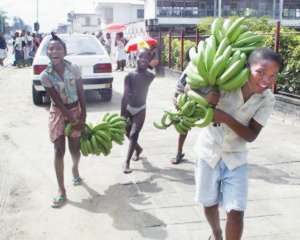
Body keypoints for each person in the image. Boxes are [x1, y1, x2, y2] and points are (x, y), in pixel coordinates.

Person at [194, 48, 283, 240]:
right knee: (209, 202)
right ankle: (216, 233)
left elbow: (251, 135)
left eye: (273, 75)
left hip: (236, 157)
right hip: (208, 150)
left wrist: (225, 118)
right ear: (247, 67)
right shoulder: (224, 83)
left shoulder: (267, 100)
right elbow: (192, 96)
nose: (266, 80)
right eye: (260, 72)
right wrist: (206, 98)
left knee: (236, 210)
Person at [40, 32, 86, 208]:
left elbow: (82, 93)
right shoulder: (45, 75)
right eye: (51, 48)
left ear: (64, 51)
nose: (55, 51)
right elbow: (57, 101)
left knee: (75, 149)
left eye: (58, 48)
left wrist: (83, 116)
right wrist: (69, 116)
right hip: (59, 113)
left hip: (76, 109)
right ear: (48, 53)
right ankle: (61, 190)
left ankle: (75, 168)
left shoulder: (74, 69)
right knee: (59, 150)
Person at [121, 48, 155, 174]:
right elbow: (124, 96)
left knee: (133, 134)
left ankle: (127, 162)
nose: (143, 59)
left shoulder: (151, 76)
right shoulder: (129, 76)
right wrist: (122, 115)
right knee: (127, 132)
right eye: (141, 56)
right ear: (136, 58)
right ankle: (138, 149)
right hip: (128, 107)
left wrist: (149, 64)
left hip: (141, 109)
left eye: (146, 57)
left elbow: (149, 71)